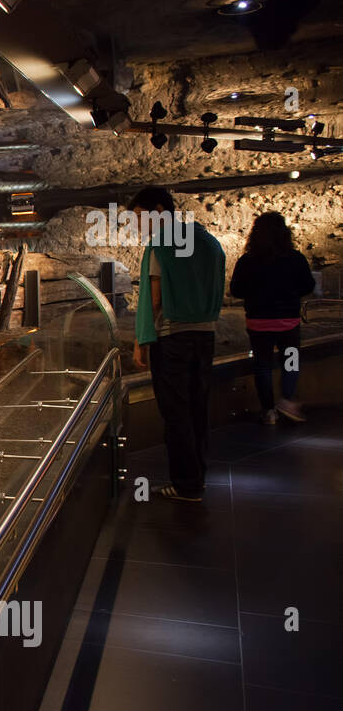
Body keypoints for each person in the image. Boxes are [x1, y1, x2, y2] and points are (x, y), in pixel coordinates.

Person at [131, 186, 226, 502]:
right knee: (198, 407)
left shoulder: (162, 243)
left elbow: (155, 299)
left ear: (159, 209)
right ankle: (197, 476)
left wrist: (142, 339)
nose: (140, 227)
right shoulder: (208, 242)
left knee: (176, 412)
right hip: (205, 335)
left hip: (171, 339)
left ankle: (186, 484)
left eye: (141, 218)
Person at [228, 212, 317, 424]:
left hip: (259, 323)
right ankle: (287, 399)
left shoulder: (247, 261)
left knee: (262, 365)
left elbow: (236, 290)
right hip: (288, 322)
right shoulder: (296, 259)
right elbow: (308, 286)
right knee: (291, 361)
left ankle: (268, 411)